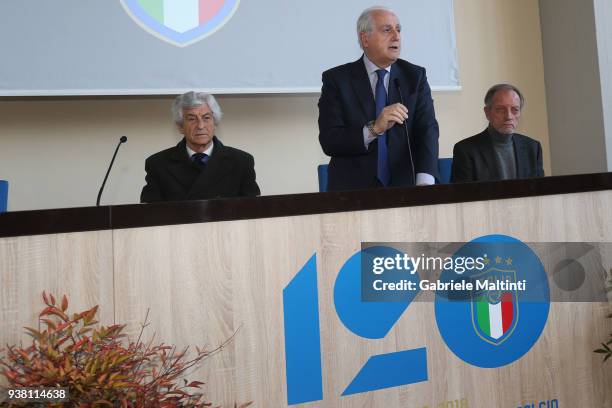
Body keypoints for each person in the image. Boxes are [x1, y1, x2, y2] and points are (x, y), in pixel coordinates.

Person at [318, 6, 439, 191]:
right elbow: (330, 140)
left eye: (398, 29)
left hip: (407, 189)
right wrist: (374, 129)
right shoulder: (337, 80)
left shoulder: (414, 77)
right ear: (365, 38)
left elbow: (427, 130)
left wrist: (425, 181)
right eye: (387, 30)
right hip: (352, 192)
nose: (396, 36)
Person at [140, 91, 260, 202]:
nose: (201, 126)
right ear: (180, 126)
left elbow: (253, 212)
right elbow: (149, 216)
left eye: (206, 118)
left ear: (215, 123)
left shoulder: (241, 162)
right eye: (192, 119)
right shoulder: (158, 164)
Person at [451, 84, 544, 183]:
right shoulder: (465, 150)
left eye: (515, 110)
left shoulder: (533, 148)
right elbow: (463, 195)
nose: (509, 116)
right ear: (487, 113)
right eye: (500, 110)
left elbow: (540, 192)